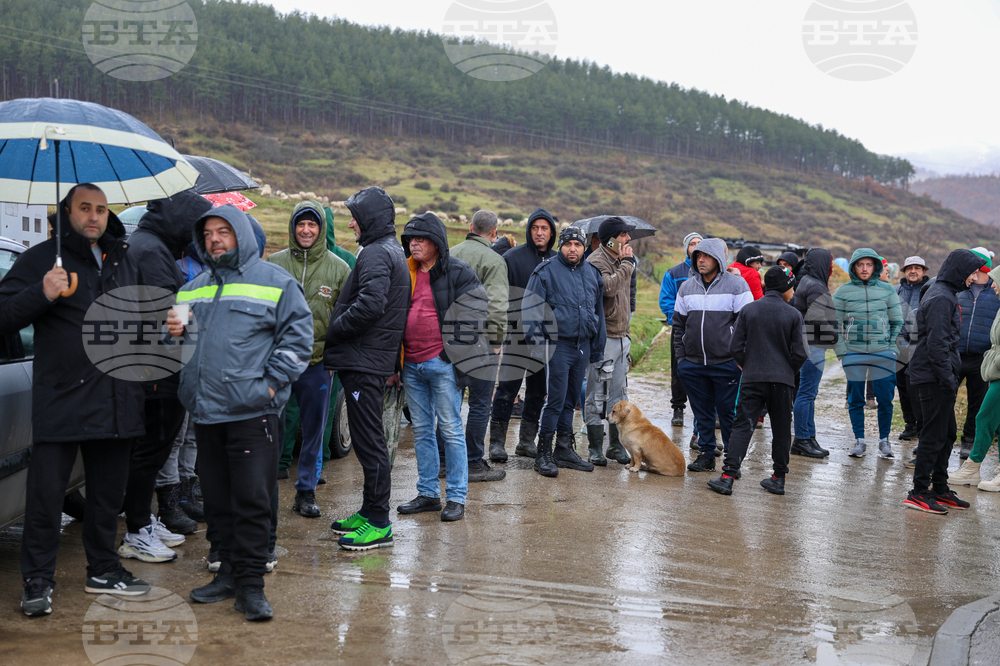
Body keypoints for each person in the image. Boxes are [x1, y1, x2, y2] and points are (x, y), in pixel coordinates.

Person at [0, 183, 150, 617]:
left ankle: (103, 568)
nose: (94, 216)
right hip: (63, 399)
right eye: (85, 208)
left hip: (117, 397)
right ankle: (37, 581)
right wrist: (42, 293)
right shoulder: (41, 259)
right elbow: (4, 314)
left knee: (106, 499)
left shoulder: (124, 259)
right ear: (67, 212)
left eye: (101, 209)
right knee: (44, 500)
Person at [169, 204, 312, 620]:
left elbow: (298, 340)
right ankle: (227, 573)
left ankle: (251, 586)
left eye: (223, 231)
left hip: (252, 414)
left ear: (242, 236)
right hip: (206, 412)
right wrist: (172, 331)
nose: (215, 238)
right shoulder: (191, 287)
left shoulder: (275, 282)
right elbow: (178, 343)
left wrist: (268, 385)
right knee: (217, 500)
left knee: (251, 501)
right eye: (209, 233)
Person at [118, 191, 212, 565]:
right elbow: (168, 316)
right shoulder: (152, 251)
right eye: (195, 228)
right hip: (156, 370)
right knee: (150, 452)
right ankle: (137, 530)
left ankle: (144, 520)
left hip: (153, 367)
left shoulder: (150, 244)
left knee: (151, 452)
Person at [324, 187, 410, 550]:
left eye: (355, 217)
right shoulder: (391, 250)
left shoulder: (377, 252)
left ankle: (378, 522)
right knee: (367, 440)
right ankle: (367, 510)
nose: (350, 223)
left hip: (363, 361)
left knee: (370, 443)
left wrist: (336, 327)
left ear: (370, 219)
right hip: (371, 359)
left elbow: (371, 306)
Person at [396, 213, 489, 521]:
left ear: (436, 242)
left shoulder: (458, 272)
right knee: (421, 430)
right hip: (410, 364)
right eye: (410, 239)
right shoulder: (404, 271)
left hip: (441, 364)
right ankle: (428, 494)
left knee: (450, 429)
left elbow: (478, 312)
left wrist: (451, 353)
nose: (413, 244)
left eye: (420, 239)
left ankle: (457, 497)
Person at [267, 201, 350, 518]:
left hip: (317, 364)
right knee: (271, 427)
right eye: (300, 224)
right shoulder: (273, 265)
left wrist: (334, 358)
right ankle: (264, 488)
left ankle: (306, 493)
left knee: (314, 430)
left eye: (312, 225)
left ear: (321, 229)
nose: (305, 230)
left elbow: (344, 319)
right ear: (292, 227)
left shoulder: (339, 269)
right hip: (277, 364)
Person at [708, 267, 808, 496]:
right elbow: (801, 353)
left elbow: (734, 346)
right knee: (782, 429)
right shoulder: (793, 314)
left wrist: (748, 363)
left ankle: (728, 477)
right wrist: (787, 370)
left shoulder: (749, 310)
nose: (793, 291)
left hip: (753, 378)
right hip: (782, 382)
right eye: (791, 286)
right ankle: (778, 478)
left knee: (743, 425)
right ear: (784, 287)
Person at [903, 249, 986, 514]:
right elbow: (938, 345)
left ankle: (939, 487)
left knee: (947, 433)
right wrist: (948, 380)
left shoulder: (945, 293)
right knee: (933, 435)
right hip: (932, 377)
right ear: (960, 271)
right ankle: (918, 492)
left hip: (936, 376)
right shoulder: (941, 297)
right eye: (972, 272)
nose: (974, 278)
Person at [522, 226, 605, 477]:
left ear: (584, 247)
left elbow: (597, 312)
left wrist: (597, 350)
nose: (573, 249)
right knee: (555, 401)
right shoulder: (545, 272)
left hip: (582, 345)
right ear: (561, 245)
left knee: (571, 401)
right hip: (556, 346)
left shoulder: (592, 274)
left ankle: (564, 449)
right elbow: (530, 311)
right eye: (568, 244)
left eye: (578, 245)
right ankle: (543, 453)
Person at [673, 238, 753, 472]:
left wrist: (740, 359)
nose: (701, 260)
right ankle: (707, 454)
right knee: (702, 413)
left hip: (726, 364)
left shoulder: (737, 286)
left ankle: (732, 459)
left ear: (718, 258)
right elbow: (678, 326)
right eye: (698, 256)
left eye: (706, 256)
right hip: (693, 364)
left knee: (728, 414)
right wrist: (682, 360)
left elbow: (747, 325)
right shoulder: (686, 287)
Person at [489, 209, 557, 460]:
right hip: (517, 335)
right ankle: (496, 443)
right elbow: (500, 295)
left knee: (538, 391)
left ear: (551, 232)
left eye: (544, 228)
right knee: (507, 389)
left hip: (544, 338)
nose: (539, 232)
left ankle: (526, 441)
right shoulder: (512, 257)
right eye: (535, 228)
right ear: (529, 230)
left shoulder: (557, 260)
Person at [449, 209, 508, 480]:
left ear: (471, 226)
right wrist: (497, 340)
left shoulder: (450, 253)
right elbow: (496, 304)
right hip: (482, 341)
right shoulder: (494, 260)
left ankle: (442, 461)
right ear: (494, 232)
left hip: (449, 340)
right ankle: (473, 462)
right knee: (480, 403)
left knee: (449, 402)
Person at [832, 248, 904, 459]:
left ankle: (884, 441)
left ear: (875, 267)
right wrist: (842, 351)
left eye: (869, 265)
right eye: (860, 265)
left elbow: (897, 320)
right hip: (854, 353)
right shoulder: (842, 292)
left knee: (885, 398)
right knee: (856, 399)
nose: (864, 269)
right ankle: (859, 440)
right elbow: (834, 324)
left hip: (883, 353)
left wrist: (892, 348)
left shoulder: (887, 290)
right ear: (854, 267)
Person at [585, 216, 636, 466]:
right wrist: (626, 265)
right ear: (611, 239)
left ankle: (615, 446)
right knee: (597, 394)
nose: (628, 239)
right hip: (602, 338)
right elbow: (607, 288)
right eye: (624, 235)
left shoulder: (619, 260)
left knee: (619, 394)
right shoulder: (596, 260)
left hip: (621, 336)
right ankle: (595, 447)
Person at [950, 265, 1000, 490]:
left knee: (984, 416)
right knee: (996, 423)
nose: (993, 285)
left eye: (996, 280)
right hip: (994, 371)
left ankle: (972, 466)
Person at [790, 248, 838, 459]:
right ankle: (801, 439)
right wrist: (835, 336)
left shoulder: (808, 281)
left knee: (808, 393)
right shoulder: (816, 286)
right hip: (812, 346)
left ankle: (809, 437)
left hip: (807, 345)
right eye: (830, 263)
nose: (833, 267)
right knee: (806, 393)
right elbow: (817, 318)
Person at [659, 232, 702, 426]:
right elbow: (666, 300)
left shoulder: (711, 271)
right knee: (679, 370)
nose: (695, 247)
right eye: (692, 244)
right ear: (686, 248)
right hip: (681, 330)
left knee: (705, 370)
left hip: (706, 330)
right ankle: (678, 409)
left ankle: (706, 411)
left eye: (699, 244)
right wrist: (676, 320)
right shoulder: (674, 273)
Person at [895, 256, 931, 441]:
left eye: (917, 268)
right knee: (902, 388)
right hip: (897, 348)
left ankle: (921, 424)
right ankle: (910, 425)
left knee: (917, 389)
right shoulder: (896, 291)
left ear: (924, 271)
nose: (913, 271)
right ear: (904, 271)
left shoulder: (929, 290)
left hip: (918, 348)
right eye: (909, 268)